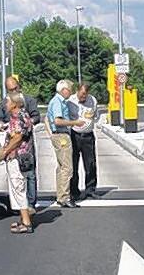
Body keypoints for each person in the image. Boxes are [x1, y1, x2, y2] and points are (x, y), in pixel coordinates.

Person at [0, 76, 40, 213]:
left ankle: (31, 204)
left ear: (19, 86)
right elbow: (0, 118)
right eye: (10, 89)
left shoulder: (28, 101)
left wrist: (26, 124)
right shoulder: (4, 103)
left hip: (24, 145)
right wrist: (1, 125)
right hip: (10, 141)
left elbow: (36, 117)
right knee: (16, 177)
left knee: (29, 172)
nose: (13, 91)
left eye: (15, 88)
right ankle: (19, 204)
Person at [0, 92, 34, 233]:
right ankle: (22, 219)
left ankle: (26, 222)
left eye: (7, 102)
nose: (5, 104)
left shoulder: (18, 117)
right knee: (18, 187)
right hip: (22, 157)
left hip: (17, 157)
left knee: (18, 188)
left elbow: (17, 138)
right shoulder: (21, 116)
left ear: (14, 104)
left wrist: (5, 151)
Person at [46, 79, 84, 208]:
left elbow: (47, 118)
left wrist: (50, 134)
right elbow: (58, 121)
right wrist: (75, 123)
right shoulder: (58, 102)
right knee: (67, 167)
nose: (71, 92)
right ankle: (64, 197)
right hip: (62, 135)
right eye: (70, 90)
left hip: (58, 134)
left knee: (61, 167)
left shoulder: (56, 101)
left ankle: (61, 195)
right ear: (64, 90)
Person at [67, 83, 99, 200]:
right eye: (81, 95)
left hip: (88, 136)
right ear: (77, 91)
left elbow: (95, 115)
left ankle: (90, 189)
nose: (83, 98)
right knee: (73, 164)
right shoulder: (71, 101)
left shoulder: (93, 100)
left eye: (85, 95)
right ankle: (74, 191)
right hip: (75, 135)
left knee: (90, 164)